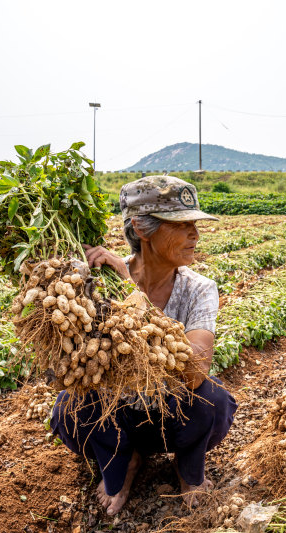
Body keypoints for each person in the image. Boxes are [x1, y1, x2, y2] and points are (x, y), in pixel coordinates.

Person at [49, 175, 237, 515]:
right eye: (181, 225)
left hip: (173, 417)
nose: (194, 234)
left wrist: (133, 294)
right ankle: (124, 460)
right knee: (68, 407)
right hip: (116, 416)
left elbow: (195, 371)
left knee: (214, 401)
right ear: (141, 228)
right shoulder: (98, 284)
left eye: (195, 224)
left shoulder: (199, 288)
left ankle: (187, 466)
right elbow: (73, 369)